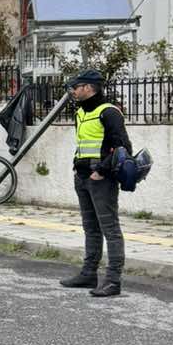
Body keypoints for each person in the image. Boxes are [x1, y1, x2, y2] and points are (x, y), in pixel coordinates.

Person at [60, 68, 132, 298]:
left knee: (109, 228)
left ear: (89, 88)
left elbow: (123, 148)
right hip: (82, 176)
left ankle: (112, 280)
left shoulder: (109, 112)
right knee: (90, 228)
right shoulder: (80, 113)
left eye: (77, 86)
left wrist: (100, 171)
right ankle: (89, 273)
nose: (73, 90)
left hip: (101, 179)